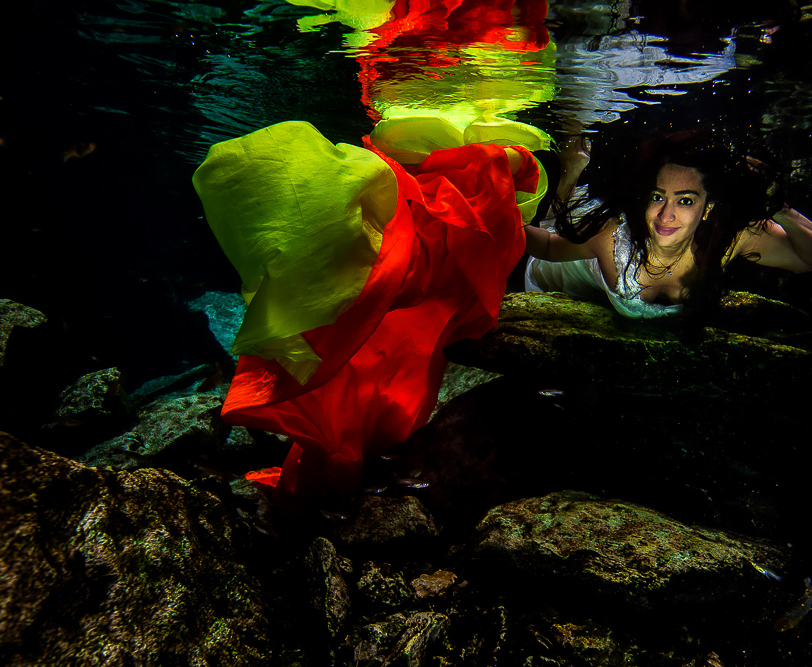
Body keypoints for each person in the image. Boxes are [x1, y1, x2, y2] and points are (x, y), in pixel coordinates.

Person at [193, 117, 547, 509]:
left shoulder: (447, 202)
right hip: (396, 294)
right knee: (364, 387)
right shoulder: (457, 203)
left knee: (363, 386)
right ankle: (336, 482)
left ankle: (330, 483)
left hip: (396, 305)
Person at [524, 128, 812, 319]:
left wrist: (776, 208)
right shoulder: (611, 236)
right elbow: (550, 247)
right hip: (559, 272)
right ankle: (571, 171)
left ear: (708, 207)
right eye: (658, 197)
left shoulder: (731, 238)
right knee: (558, 223)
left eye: (685, 201)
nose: (665, 215)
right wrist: (493, 219)